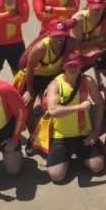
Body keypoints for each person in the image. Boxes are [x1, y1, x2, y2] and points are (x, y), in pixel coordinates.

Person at [44, 50, 106, 183]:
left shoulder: (88, 81)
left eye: (76, 65)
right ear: (63, 66)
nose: (73, 68)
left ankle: (81, 151)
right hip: (61, 135)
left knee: (97, 167)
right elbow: (53, 111)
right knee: (56, 176)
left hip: (83, 133)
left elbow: (100, 104)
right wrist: (79, 107)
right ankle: (66, 153)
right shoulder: (55, 84)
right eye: (69, 65)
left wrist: (96, 131)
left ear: (81, 66)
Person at [19, 18, 75, 154]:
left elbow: (78, 57)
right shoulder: (40, 48)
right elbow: (29, 70)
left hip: (57, 75)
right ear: (49, 34)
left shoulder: (70, 43)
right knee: (26, 105)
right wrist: (30, 92)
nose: (59, 39)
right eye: (55, 36)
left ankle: (65, 132)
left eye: (62, 35)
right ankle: (33, 137)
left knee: (70, 96)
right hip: (38, 76)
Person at [71, 0, 106, 87]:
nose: (97, 10)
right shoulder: (78, 19)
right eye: (94, 7)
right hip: (79, 54)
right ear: (88, 6)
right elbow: (76, 46)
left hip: (98, 51)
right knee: (73, 82)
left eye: (100, 7)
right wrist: (99, 39)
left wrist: (88, 42)